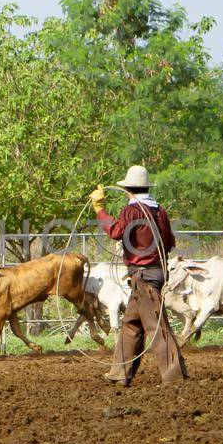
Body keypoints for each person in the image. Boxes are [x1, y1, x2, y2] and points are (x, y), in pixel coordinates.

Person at [88, 165, 188, 386]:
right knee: (131, 324)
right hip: (153, 274)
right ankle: (119, 373)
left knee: (156, 326)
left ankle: (175, 376)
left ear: (129, 189)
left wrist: (100, 209)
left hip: (143, 277)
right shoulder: (159, 211)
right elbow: (170, 242)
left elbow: (115, 232)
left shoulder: (131, 211)